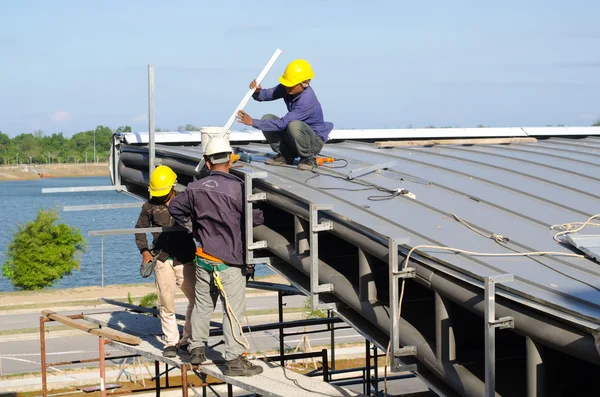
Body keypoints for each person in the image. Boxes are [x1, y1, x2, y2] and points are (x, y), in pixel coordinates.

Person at [169, 137, 264, 377]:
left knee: (203, 305)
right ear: (230, 161)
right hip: (230, 262)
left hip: (203, 258)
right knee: (232, 310)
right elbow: (256, 220)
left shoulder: (194, 188)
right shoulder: (238, 188)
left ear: (207, 162)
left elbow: (175, 208)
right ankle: (233, 360)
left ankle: (197, 349)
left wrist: (193, 228)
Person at [134, 165, 197, 357]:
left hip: (185, 257)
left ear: (172, 187)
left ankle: (188, 339)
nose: (160, 197)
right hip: (162, 259)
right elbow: (139, 229)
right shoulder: (149, 206)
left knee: (196, 299)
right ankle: (171, 342)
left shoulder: (185, 200)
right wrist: (145, 251)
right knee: (166, 302)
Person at [236, 59, 334, 171]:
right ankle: (286, 155)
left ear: (305, 83)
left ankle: (308, 158)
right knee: (267, 118)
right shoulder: (287, 88)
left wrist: (252, 122)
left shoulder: (307, 101)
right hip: (295, 137)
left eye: (291, 85)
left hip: (313, 141)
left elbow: (283, 124)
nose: (287, 87)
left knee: (294, 125)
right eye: (286, 84)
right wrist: (257, 91)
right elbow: (266, 95)